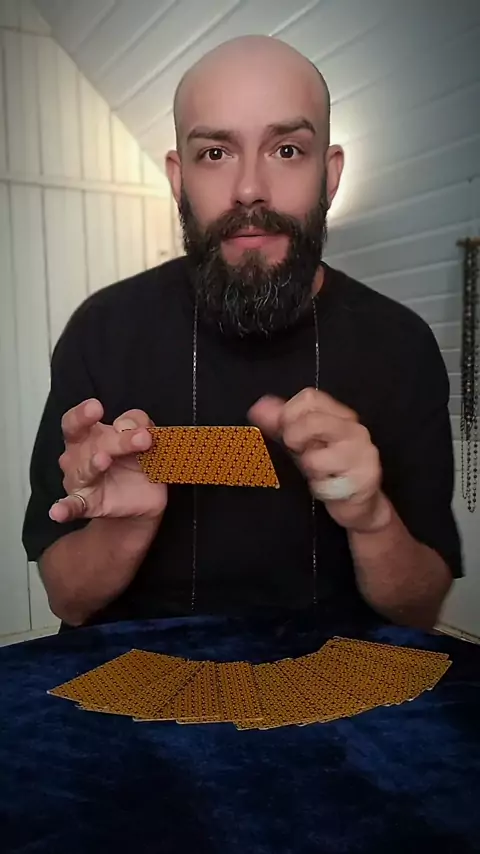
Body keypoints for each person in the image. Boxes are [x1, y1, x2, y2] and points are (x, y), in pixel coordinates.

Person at [22, 35, 462, 631]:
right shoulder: (101, 331)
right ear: (179, 178)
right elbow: (67, 600)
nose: (250, 188)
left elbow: (421, 608)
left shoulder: (402, 345)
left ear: (330, 174)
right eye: (215, 153)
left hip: (339, 680)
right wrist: (124, 527)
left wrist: (371, 517)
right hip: (138, 680)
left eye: (287, 149)